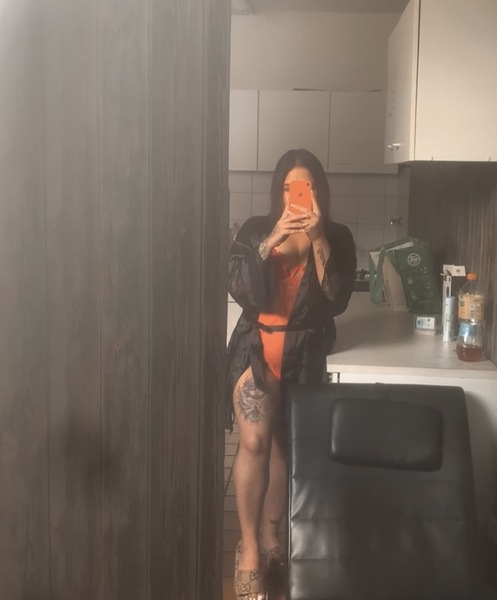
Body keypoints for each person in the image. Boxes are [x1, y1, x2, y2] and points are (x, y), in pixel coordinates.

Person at [227, 148, 357, 600]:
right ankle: (248, 549)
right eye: (287, 188)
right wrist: (273, 238)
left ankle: (271, 538)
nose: (295, 196)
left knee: (284, 446)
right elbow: (237, 285)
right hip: (256, 347)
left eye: (304, 187)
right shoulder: (256, 229)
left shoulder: (337, 235)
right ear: (278, 192)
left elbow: (336, 297)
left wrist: (317, 236)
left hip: (305, 352)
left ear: (319, 191)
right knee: (254, 442)